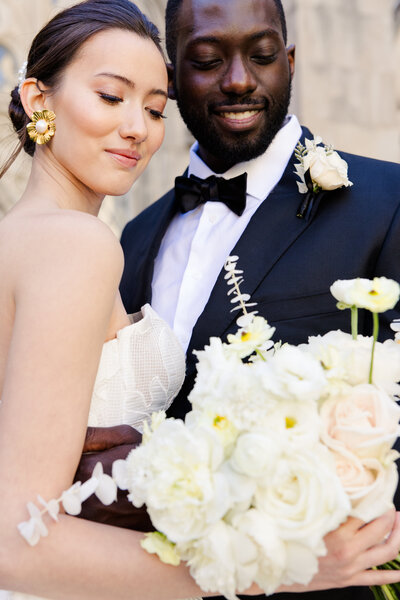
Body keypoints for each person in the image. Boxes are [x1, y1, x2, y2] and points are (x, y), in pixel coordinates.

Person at [88, 0, 400, 599]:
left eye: (261, 57)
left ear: (289, 61)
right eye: (207, 60)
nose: (239, 80)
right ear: (172, 80)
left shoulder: (385, 205)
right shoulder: (135, 237)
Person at [0, 1, 258, 598]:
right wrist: (253, 570)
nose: (138, 129)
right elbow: (15, 537)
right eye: (111, 98)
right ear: (40, 101)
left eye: (154, 108)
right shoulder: (77, 244)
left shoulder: (18, 240)